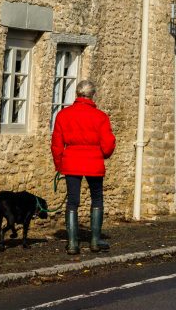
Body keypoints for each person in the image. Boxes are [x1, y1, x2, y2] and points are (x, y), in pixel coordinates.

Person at [51, 80, 116, 255]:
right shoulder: (100, 116)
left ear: (77, 94)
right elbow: (108, 144)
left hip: (71, 161)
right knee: (97, 198)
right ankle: (95, 241)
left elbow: (56, 144)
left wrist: (59, 164)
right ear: (92, 95)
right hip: (93, 161)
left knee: (72, 201)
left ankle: (73, 243)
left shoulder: (63, 115)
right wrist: (103, 154)